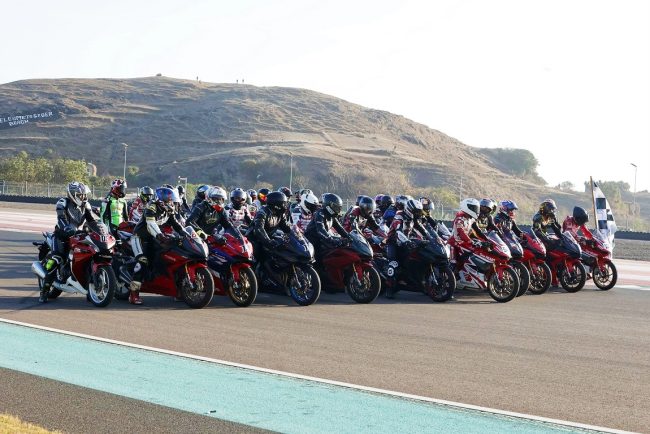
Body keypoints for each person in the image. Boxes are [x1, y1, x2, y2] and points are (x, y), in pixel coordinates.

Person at [129, 187, 188, 305]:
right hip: (140, 237)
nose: (171, 203)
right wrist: (161, 236)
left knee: (171, 257)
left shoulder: (169, 210)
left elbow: (176, 224)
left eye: (172, 201)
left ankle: (177, 290)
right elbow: (151, 224)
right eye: (169, 200)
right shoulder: (151, 207)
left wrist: (187, 234)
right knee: (142, 261)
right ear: (161, 200)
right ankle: (133, 294)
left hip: (154, 238)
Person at [40, 182, 96, 303]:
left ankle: (89, 288)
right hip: (61, 236)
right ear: (72, 194)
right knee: (56, 258)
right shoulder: (63, 203)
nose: (83, 197)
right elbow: (61, 219)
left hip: (77, 236)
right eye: (80, 195)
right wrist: (67, 228)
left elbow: (92, 221)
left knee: (89, 254)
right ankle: (44, 290)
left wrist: (100, 229)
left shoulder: (86, 205)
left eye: (84, 195)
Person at [384, 199, 429, 297]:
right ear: (410, 210)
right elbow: (398, 232)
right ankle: (389, 288)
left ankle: (420, 283)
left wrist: (430, 237)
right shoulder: (399, 216)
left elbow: (421, 228)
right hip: (393, 243)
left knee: (418, 257)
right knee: (393, 264)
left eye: (419, 212)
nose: (418, 214)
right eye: (416, 212)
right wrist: (408, 242)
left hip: (405, 242)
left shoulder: (413, 218)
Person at [304, 193, 352, 261]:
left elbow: (340, 228)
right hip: (311, 242)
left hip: (321, 240)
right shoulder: (320, 214)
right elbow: (321, 230)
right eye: (336, 207)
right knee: (321, 260)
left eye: (339, 207)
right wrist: (334, 241)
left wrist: (349, 237)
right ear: (329, 206)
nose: (338, 210)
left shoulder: (332, 216)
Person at [248, 191, 293, 262]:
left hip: (269, 236)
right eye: (284, 203)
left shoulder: (280, 213)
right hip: (255, 238)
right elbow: (259, 229)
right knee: (258, 256)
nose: (285, 205)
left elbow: (286, 227)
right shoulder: (262, 212)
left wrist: (297, 235)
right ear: (276, 204)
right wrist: (268, 241)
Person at [449, 198, 490, 271]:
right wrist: (470, 241)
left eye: (476, 208)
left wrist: (485, 240)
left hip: (464, 242)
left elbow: (476, 231)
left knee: (477, 252)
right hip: (454, 243)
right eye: (474, 208)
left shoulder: (471, 219)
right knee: (453, 264)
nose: (476, 210)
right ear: (467, 207)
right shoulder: (460, 219)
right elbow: (461, 232)